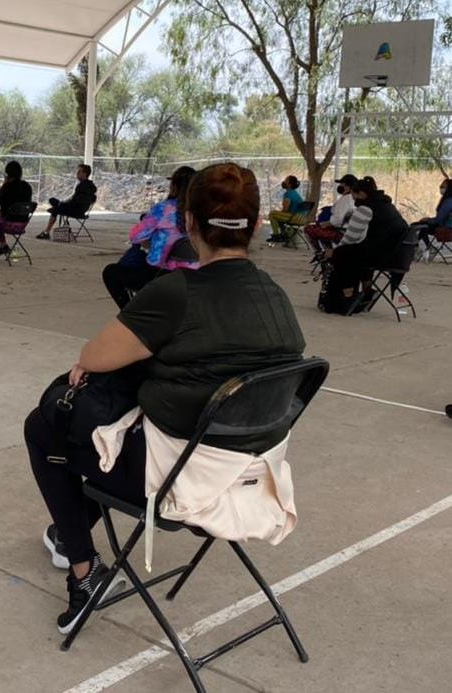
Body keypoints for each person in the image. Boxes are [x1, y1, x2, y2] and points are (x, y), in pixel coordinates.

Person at [25, 162, 305, 634]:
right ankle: (70, 531)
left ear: (189, 221)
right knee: (98, 425)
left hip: (177, 478)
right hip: (255, 473)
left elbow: (92, 356)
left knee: (46, 425)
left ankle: (84, 571)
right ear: (256, 224)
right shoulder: (275, 296)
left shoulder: (176, 292)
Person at [102, 166, 198, 309]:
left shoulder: (163, 209)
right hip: (196, 275)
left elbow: (135, 236)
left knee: (111, 272)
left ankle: (130, 312)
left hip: (161, 274)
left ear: (174, 186)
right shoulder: (204, 212)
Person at [319, 176, 408, 314]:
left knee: (343, 254)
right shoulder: (387, 205)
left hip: (382, 257)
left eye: (354, 195)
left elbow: (350, 238)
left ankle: (345, 296)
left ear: (361, 193)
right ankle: (366, 292)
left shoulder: (365, 209)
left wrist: (333, 251)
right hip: (399, 256)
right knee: (356, 252)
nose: (353, 199)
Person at [0, 160, 34, 257]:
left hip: (6, 224)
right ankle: (3, 246)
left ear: (7, 174)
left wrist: (4, 184)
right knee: (0, 217)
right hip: (21, 224)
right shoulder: (27, 186)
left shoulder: (7, 187)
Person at [36, 164, 96, 239]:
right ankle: (47, 231)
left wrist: (62, 204)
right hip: (82, 211)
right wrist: (63, 203)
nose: (77, 173)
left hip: (75, 210)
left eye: (79, 172)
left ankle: (46, 232)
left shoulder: (82, 186)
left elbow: (75, 201)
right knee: (56, 206)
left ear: (85, 174)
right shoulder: (90, 186)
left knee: (53, 203)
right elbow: (76, 200)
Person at [304, 174, 357, 252]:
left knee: (309, 229)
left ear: (347, 186)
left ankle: (320, 253)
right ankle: (328, 252)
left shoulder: (345, 199)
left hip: (341, 233)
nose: (340, 186)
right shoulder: (355, 199)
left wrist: (325, 223)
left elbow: (338, 220)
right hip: (351, 232)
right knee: (323, 231)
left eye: (342, 184)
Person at [414, 178, 452, 259]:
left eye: (443, 186)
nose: (441, 188)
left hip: (445, 228)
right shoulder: (448, 201)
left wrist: (428, 219)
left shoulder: (449, 202)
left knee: (418, 226)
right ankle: (419, 247)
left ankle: (415, 247)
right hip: (445, 226)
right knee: (422, 227)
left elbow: (439, 219)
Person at [266, 175, 307, 242]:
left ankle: (276, 235)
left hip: (295, 218)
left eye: (286, 180)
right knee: (277, 215)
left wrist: (278, 213)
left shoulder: (288, 194)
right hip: (301, 218)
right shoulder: (294, 193)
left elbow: (285, 210)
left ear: (290, 185)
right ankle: (284, 234)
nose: (284, 181)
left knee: (272, 214)